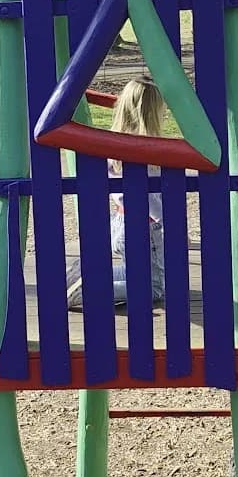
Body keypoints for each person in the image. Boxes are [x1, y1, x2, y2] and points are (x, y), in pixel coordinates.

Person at [66, 78, 165, 308]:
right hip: (144, 226)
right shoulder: (148, 152)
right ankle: (89, 289)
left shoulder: (113, 146)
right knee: (154, 286)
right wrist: (165, 220)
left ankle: (80, 276)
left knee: (135, 271)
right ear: (152, 114)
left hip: (120, 222)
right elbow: (149, 199)